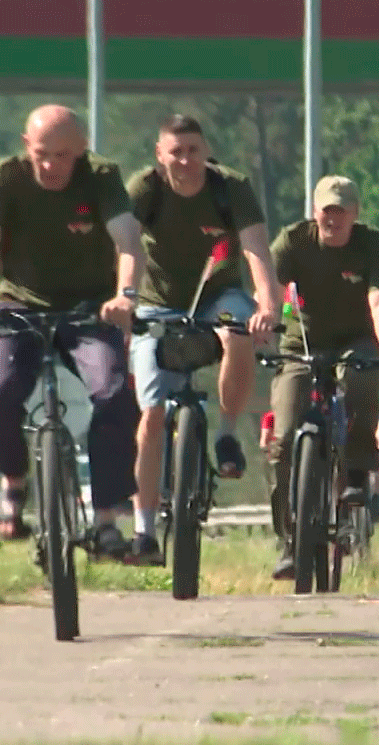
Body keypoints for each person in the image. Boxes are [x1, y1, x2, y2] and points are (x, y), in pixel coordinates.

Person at [0, 104, 145, 559]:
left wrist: (125, 295)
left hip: (87, 309)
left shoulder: (102, 178)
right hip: (16, 305)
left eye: (63, 155)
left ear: (81, 150)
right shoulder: (6, 177)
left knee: (114, 393)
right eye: (42, 154)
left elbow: (129, 243)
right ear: (27, 146)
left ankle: (105, 519)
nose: (51, 166)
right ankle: (13, 482)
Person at [122, 114, 281, 565]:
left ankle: (227, 435)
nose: (186, 161)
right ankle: (144, 531)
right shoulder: (145, 189)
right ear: (160, 155)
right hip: (158, 304)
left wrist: (267, 305)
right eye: (176, 152)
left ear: (205, 151)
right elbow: (125, 248)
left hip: (219, 295)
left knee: (239, 334)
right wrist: (122, 299)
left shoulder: (230, 187)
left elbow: (255, 249)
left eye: (194, 150)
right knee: (151, 417)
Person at [267, 175, 379, 580]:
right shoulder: (292, 242)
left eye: (342, 210)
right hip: (302, 344)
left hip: (356, 340)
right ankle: (288, 540)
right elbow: (273, 291)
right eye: (327, 210)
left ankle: (358, 471)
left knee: (363, 379)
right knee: (284, 437)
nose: (334, 218)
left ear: (355, 213)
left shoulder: (374, 245)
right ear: (315, 212)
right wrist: (268, 320)